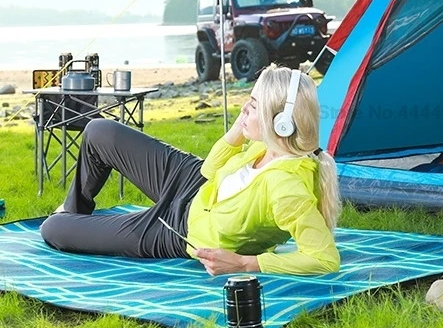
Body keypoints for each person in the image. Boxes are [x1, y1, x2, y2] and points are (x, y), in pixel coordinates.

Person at [40, 66, 342, 276]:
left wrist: (247, 263)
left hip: (179, 229)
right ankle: (75, 210)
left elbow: (324, 259)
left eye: (252, 106)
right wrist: (236, 134)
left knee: (53, 229)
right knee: (99, 131)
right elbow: (210, 171)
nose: (243, 111)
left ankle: (70, 222)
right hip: (192, 182)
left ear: (280, 123)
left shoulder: (285, 188)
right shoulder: (270, 146)